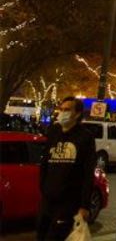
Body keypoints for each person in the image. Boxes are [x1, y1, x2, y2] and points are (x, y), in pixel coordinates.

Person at [36, 96, 96, 241]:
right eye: (61, 109)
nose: (62, 112)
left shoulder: (85, 137)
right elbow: (45, 163)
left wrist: (84, 205)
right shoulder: (53, 132)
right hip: (48, 201)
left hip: (68, 203)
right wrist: (43, 188)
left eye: (67, 110)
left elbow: (88, 173)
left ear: (77, 114)